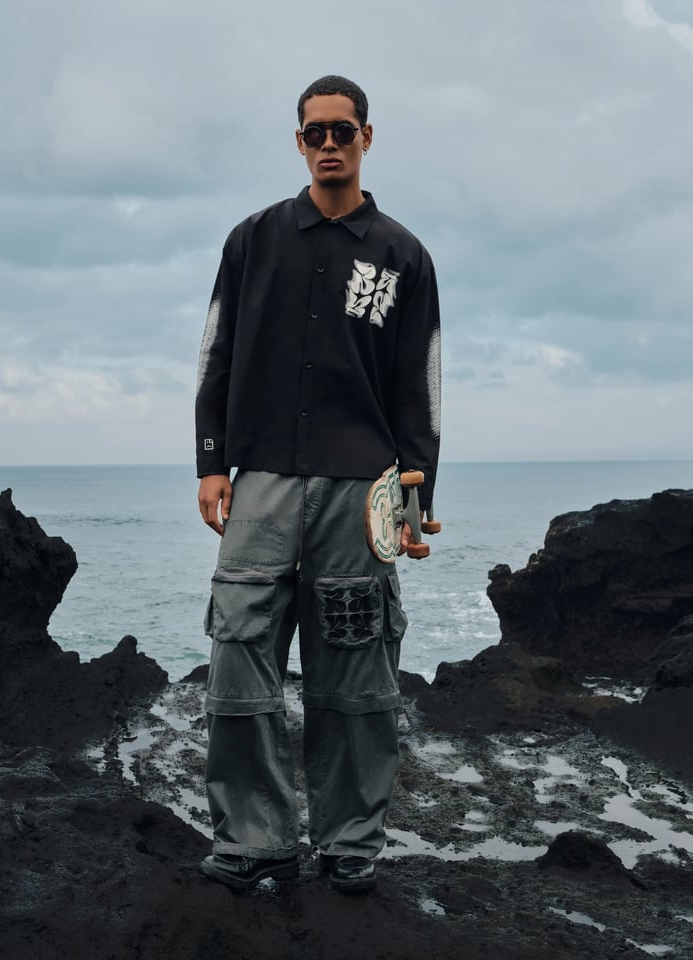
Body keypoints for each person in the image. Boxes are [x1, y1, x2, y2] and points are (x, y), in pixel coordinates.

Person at [195, 75, 441, 892]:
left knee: (357, 673)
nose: (328, 143)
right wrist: (209, 462)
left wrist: (416, 497)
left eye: (343, 130)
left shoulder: (403, 255)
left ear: (370, 136)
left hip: (360, 490)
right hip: (259, 480)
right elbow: (215, 357)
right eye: (314, 132)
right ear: (297, 141)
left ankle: (349, 843)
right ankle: (254, 839)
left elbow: (420, 384)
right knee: (239, 663)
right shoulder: (253, 240)